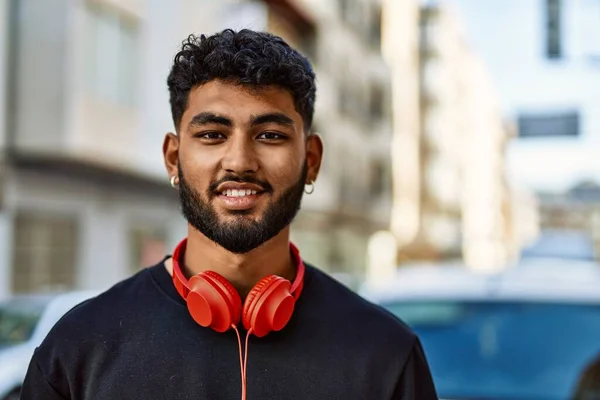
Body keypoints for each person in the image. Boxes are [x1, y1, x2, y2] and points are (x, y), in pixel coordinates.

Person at [20, 29, 438, 400]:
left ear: (311, 160)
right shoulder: (77, 350)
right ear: (173, 158)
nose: (239, 160)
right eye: (212, 135)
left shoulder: (385, 352)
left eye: (270, 135)